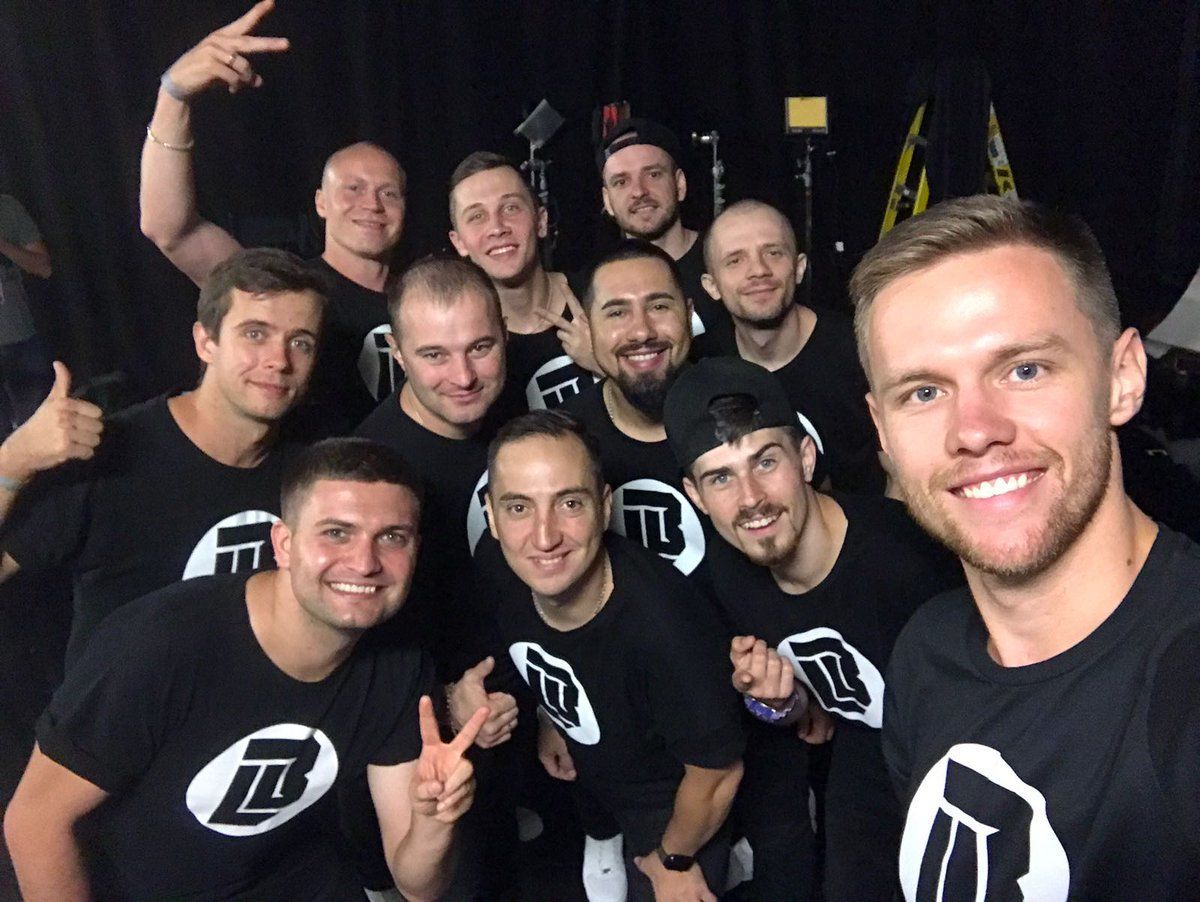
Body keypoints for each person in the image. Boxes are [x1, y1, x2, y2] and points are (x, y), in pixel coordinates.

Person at [851, 194, 1200, 897]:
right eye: (923, 392)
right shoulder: (926, 653)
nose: (974, 430)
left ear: (1123, 379)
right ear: (882, 430)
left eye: (1024, 370)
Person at [3, 437, 488, 900]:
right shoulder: (161, 644)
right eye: (336, 533)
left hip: (296, 881)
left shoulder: (400, 665)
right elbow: (35, 822)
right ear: (283, 544)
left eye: (392, 537)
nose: (364, 563)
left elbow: (419, 887)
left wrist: (433, 823)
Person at [664, 356, 961, 899]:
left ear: (804, 457)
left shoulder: (911, 560)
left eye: (765, 461)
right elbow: (809, 715)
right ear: (695, 496)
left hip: (966, 752)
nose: (750, 498)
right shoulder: (727, 576)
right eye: (721, 477)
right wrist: (777, 702)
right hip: (869, 753)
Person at [0, 247, 324, 663]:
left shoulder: (313, 468)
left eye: (300, 342)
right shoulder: (107, 452)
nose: (279, 361)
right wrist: (14, 459)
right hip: (121, 702)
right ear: (205, 342)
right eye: (255, 334)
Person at [478, 409, 745, 901]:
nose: (544, 537)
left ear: (604, 507)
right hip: (597, 768)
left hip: (671, 799)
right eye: (518, 508)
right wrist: (552, 716)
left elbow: (717, 773)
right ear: (491, 517)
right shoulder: (501, 573)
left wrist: (673, 859)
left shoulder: (668, 627)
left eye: (569, 503)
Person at [140, 0, 405, 434]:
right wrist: (174, 96)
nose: (372, 204)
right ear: (320, 202)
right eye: (353, 188)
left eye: (388, 193)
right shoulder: (282, 288)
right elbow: (171, 228)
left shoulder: (422, 294)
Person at [701, 200, 887, 493]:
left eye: (773, 253)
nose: (758, 270)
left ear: (799, 268)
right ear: (712, 285)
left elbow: (901, 478)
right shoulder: (704, 365)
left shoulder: (861, 350)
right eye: (735, 260)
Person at [564, 240, 709, 581]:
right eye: (617, 313)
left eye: (659, 306)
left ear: (688, 314)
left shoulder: (744, 411)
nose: (642, 331)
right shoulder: (566, 440)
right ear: (588, 328)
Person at [448, 151, 599, 412]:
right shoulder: (464, 350)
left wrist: (607, 363)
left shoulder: (601, 297)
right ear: (459, 242)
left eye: (510, 208)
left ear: (541, 221)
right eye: (477, 216)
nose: (497, 228)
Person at [595, 118, 733, 354]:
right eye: (621, 182)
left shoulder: (727, 262)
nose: (639, 191)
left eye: (653, 174)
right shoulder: (598, 284)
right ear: (607, 200)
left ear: (679, 184)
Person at [0, 193, 54, 437]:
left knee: (38, 428)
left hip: (19, 340)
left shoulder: (7, 207)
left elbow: (43, 268)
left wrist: (3, 245)